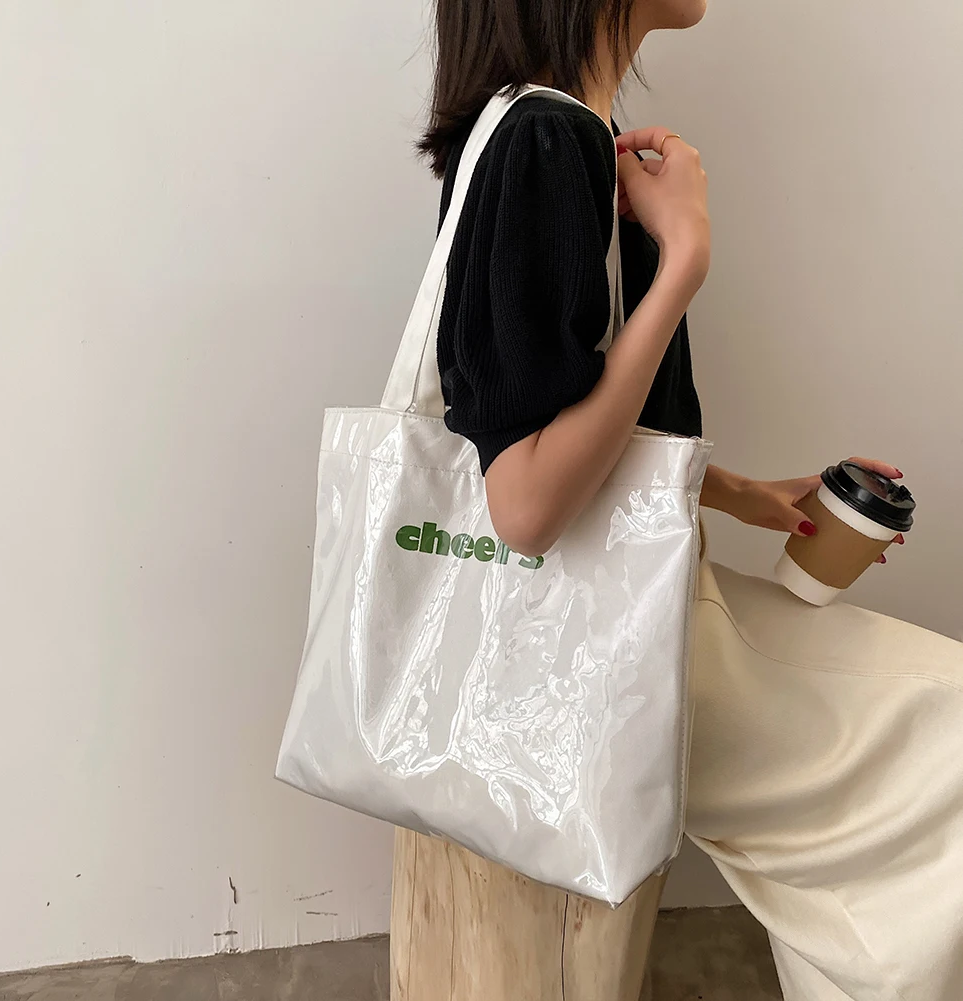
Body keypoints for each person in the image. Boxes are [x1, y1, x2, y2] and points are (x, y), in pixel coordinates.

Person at [404, 0, 963, 998]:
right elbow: (524, 504)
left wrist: (743, 494)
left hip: (606, 631)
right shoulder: (546, 140)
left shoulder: (540, 131)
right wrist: (683, 263)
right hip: (612, 658)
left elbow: (563, 422)